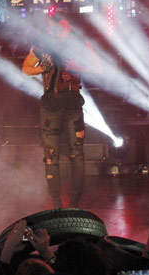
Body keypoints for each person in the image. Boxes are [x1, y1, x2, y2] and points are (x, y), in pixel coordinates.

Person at [22, 14, 98, 209]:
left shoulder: (79, 44)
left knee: (77, 155)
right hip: (50, 108)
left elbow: (97, 66)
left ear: (67, 28)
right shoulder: (41, 45)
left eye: (59, 30)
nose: (54, 33)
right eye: (51, 29)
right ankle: (56, 200)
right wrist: (41, 69)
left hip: (73, 107)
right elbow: (26, 68)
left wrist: (78, 66)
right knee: (51, 155)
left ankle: (75, 200)